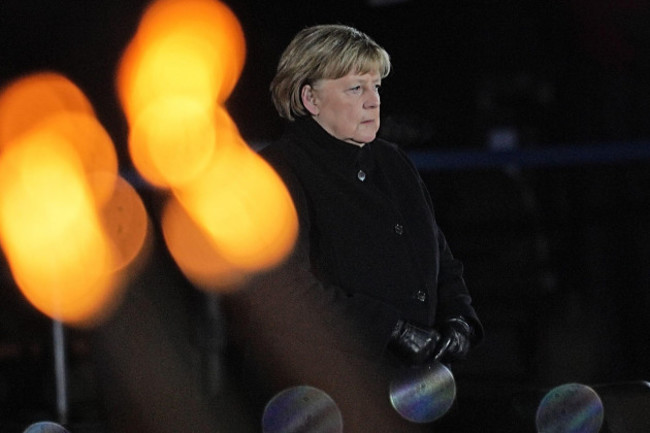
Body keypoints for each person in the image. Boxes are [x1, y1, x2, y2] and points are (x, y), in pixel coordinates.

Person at [224, 24, 483, 433]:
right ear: (309, 98)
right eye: (355, 89)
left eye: (376, 87)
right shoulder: (277, 172)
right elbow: (286, 290)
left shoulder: (394, 164)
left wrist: (460, 320)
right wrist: (392, 328)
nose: (373, 102)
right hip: (318, 400)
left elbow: (441, 261)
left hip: (406, 395)